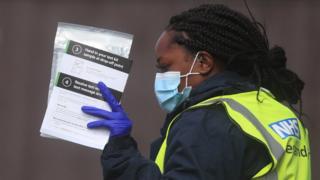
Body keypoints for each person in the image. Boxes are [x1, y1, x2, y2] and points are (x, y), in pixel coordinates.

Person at [81, 4, 311, 180]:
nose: (160, 77)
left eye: (165, 66)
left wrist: (120, 155)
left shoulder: (208, 120)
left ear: (203, 62)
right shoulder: (279, 114)